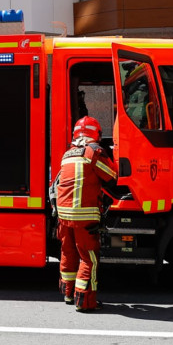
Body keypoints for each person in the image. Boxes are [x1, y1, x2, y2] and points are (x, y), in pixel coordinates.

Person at [55, 116, 118, 312]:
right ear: (97, 134)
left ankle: (68, 293)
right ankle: (85, 301)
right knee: (88, 257)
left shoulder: (68, 154)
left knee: (68, 253)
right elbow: (111, 176)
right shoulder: (93, 152)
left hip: (63, 215)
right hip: (83, 215)